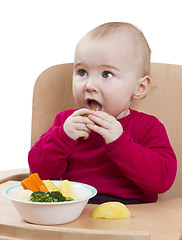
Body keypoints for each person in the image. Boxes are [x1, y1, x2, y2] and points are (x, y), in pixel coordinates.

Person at [28, 22, 177, 204]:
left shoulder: (148, 127)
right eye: (82, 72)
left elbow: (161, 181)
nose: (89, 86)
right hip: (74, 211)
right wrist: (62, 138)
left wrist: (120, 143)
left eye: (106, 74)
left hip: (131, 216)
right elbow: (39, 175)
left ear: (139, 87)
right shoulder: (66, 122)